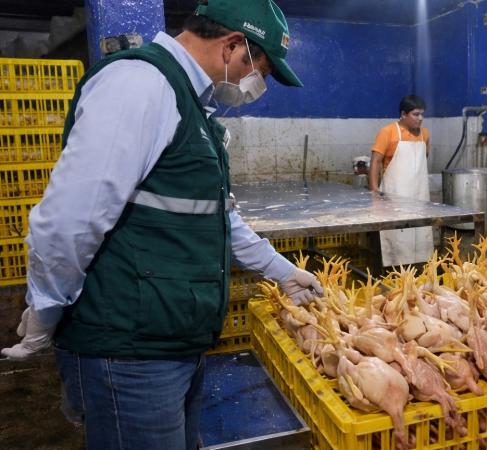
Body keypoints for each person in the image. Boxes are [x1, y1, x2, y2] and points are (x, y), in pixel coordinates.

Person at [0, 1, 322, 448]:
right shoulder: (140, 85)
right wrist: (46, 310)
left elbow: (217, 215)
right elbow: (69, 221)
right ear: (232, 46)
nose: (257, 86)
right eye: (261, 72)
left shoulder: (191, 105)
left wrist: (281, 270)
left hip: (170, 343)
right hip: (128, 353)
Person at [369, 95, 434, 267]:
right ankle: (395, 270)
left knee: (420, 233)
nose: (420, 118)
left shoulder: (424, 135)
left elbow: (423, 159)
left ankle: (421, 268)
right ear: (403, 114)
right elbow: (375, 161)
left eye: (422, 114)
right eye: (415, 114)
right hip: (394, 195)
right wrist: (374, 191)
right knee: (397, 235)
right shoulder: (388, 132)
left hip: (419, 194)